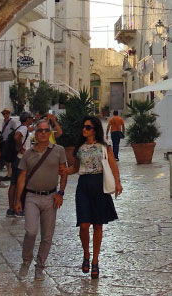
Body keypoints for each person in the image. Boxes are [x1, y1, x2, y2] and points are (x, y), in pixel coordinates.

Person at [63, 116, 122, 279]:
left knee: (97, 225)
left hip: (99, 184)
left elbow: (113, 166)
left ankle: (95, 260)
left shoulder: (104, 147)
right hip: (84, 185)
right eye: (83, 127)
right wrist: (63, 171)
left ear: (95, 129)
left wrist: (118, 183)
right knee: (83, 224)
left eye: (87, 127)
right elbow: (75, 168)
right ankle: (86, 254)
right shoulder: (79, 148)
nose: (84, 129)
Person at [13, 119, 68, 281]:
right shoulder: (28, 154)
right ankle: (26, 260)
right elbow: (21, 178)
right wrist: (18, 200)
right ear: (35, 134)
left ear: (50, 133)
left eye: (46, 130)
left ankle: (40, 267)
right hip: (31, 197)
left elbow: (63, 173)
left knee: (47, 236)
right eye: (40, 131)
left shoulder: (59, 151)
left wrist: (61, 193)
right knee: (30, 231)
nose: (43, 133)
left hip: (51, 197)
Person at [7, 111, 33, 217]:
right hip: (21, 159)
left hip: (16, 159)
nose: (31, 120)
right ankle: (19, 207)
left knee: (13, 184)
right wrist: (21, 148)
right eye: (30, 118)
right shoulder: (24, 128)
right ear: (27, 119)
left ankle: (11, 208)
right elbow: (17, 137)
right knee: (20, 183)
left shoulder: (20, 127)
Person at [0, 108, 16, 178]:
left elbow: (15, 131)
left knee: (9, 158)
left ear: (9, 114)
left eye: (6, 113)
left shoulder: (12, 122)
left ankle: (10, 174)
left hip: (9, 142)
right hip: (4, 141)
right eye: (4, 114)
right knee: (5, 158)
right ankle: (8, 173)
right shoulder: (3, 122)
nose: (5, 115)